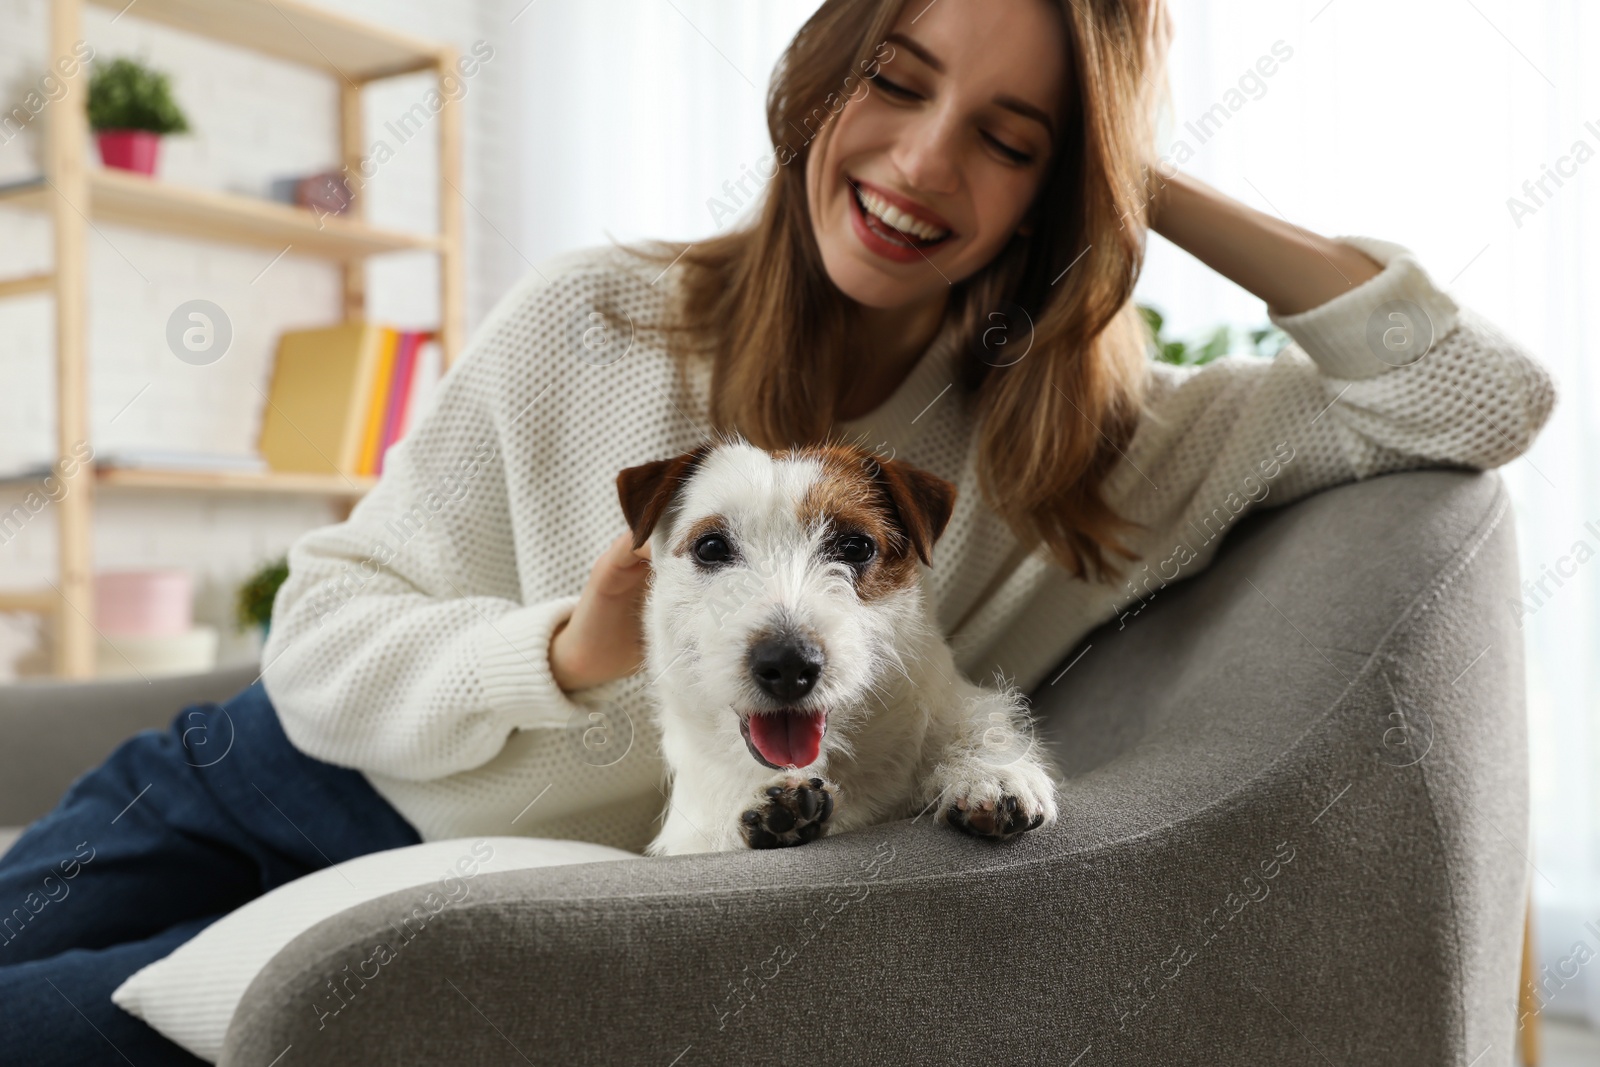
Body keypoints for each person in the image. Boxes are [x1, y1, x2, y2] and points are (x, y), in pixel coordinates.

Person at [0, 0, 1558, 1062]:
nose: (922, 164)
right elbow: (321, 633)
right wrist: (564, 648)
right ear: (824, 77)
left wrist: (1147, 182)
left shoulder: (1082, 456)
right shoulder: (596, 319)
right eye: (897, 77)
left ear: (1055, 192)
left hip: (428, 919)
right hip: (263, 781)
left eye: (1013, 139)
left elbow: (1476, 401)